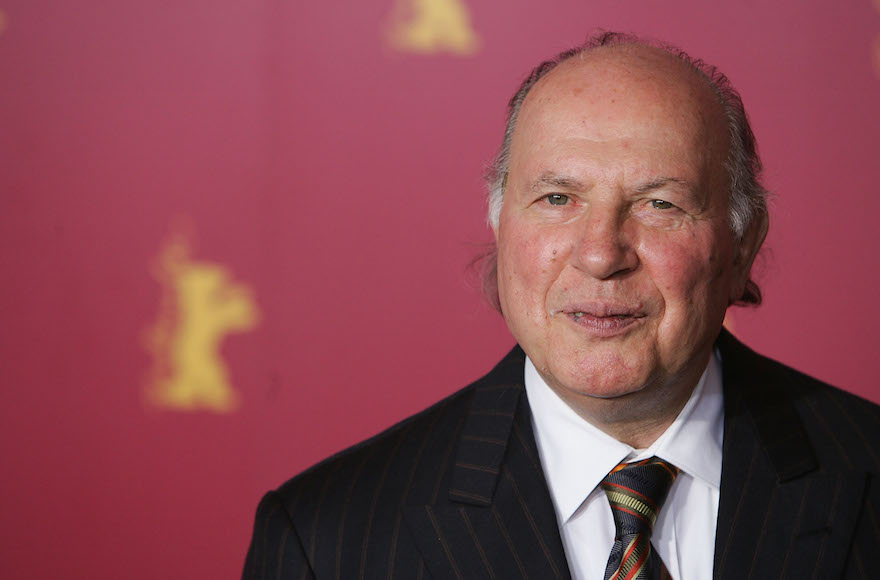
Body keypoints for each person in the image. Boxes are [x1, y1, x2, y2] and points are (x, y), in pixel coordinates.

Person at [243, 32, 880, 579]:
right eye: (557, 198)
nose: (602, 254)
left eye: (659, 204)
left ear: (741, 246)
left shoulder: (864, 471)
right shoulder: (325, 540)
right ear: (498, 226)